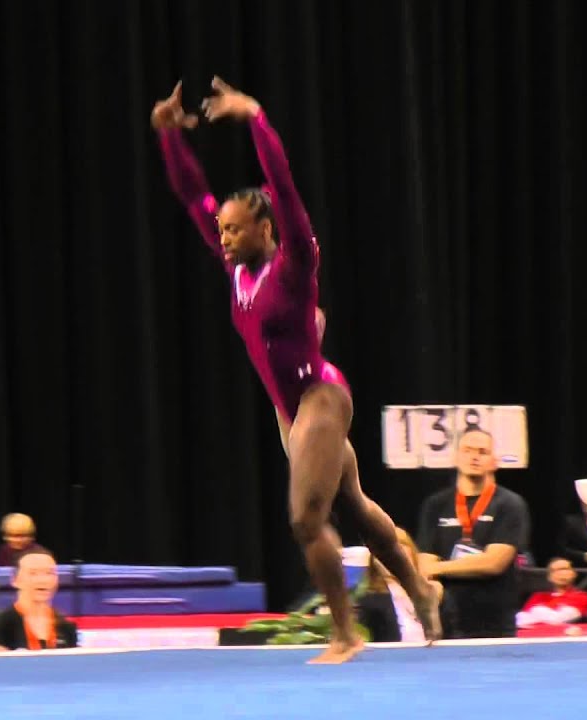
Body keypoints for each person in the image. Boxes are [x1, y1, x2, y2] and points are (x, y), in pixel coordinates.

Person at [153, 78, 439, 663]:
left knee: (306, 521)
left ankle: (345, 632)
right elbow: (190, 195)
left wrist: (256, 118)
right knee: (354, 506)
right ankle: (421, 588)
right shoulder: (235, 268)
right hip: (290, 410)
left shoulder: (295, 263)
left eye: (235, 229)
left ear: (265, 229)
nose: (224, 237)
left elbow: (284, 190)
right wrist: (167, 136)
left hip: (321, 398)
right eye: (224, 229)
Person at [417, 429, 530, 639]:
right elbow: (424, 564)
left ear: (494, 461)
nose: (474, 457)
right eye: (467, 450)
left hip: (495, 622)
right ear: (456, 457)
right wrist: (434, 568)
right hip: (447, 621)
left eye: (482, 452)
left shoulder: (510, 504)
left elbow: (494, 563)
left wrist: (439, 567)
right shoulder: (435, 505)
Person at [356, 527, 441, 643]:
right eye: (383, 551)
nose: (391, 558)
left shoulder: (432, 591)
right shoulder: (369, 601)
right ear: (374, 561)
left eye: (400, 549)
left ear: (412, 554)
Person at [0, 549, 78, 651]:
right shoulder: (2, 625)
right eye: (33, 573)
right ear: (15, 580)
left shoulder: (66, 627)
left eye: (49, 573)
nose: (43, 580)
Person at [516, 557, 587, 628]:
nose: (560, 573)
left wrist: (537, 612)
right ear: (549, 577)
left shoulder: (581, 596)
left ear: (574, 574)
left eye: (564, 569)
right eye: (554, 571)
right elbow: (521, 620)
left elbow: (558, 620)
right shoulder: (538, 596)